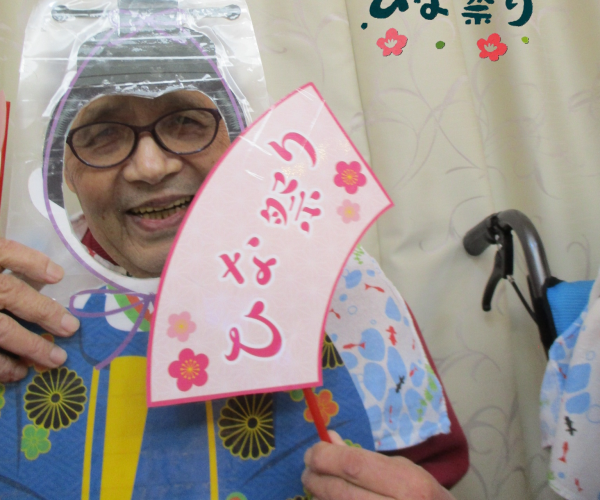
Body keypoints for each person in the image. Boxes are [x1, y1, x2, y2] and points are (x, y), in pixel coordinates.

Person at [0, 86, 467, 498]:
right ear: (64, 169)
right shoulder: (22, 293)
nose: (151, 167)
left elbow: (427, 466)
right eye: (102, 133)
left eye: (186, 121)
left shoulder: (339, 280)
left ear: (240, 139)